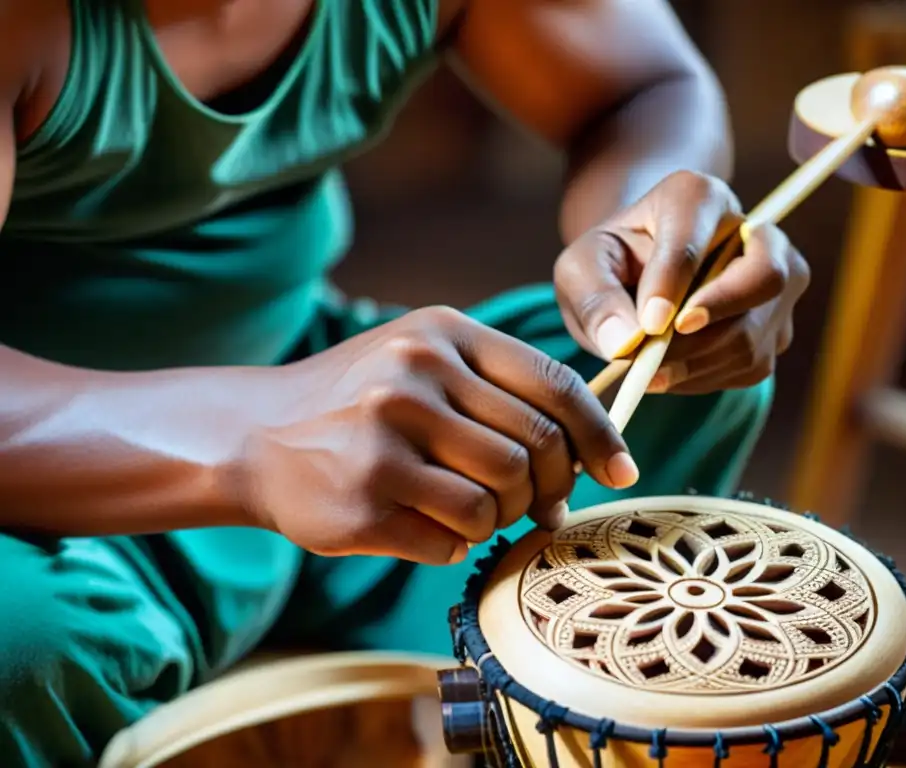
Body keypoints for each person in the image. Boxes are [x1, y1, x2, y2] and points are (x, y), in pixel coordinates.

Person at [0, 0, 810, 764]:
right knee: (15, 645)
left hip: (305, 392)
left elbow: (641, 84)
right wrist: (255, 440)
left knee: (673, 381)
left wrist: (648, 247)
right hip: (55, 484)